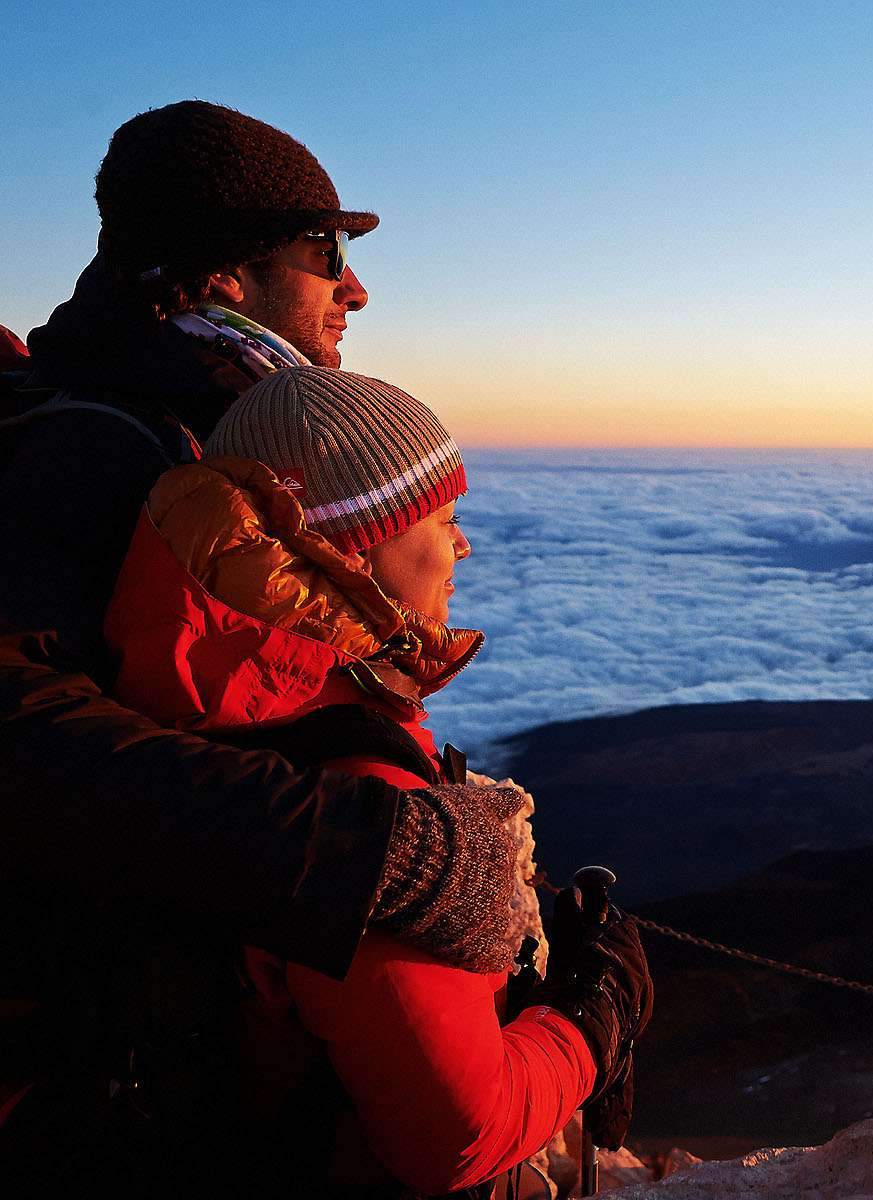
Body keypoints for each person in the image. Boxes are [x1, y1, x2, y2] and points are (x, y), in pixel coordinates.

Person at [0, 103, 534, 1179]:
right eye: (325, 248)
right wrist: (367, 848)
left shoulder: (197, 429)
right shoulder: (83, 455)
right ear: (223, 277)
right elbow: (17, 731)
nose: (356, 285)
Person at [93, 365, 650, 1196]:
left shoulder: (192, 717)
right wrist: (591, 1022)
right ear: (349, 545)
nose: (463, 545)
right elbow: (457, 1135)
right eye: (446, 518)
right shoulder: (356, 794)